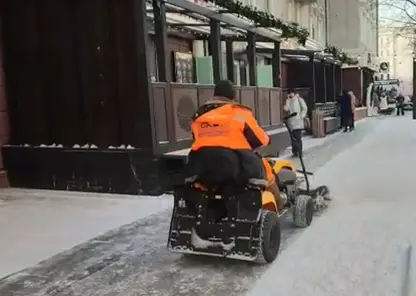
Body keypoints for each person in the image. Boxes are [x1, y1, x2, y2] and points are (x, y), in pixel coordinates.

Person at [187, 80, 287, 212]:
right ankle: (279, 202)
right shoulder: (239, 113)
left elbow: (196, 136)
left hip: (202, 165)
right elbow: (260, 139)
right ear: (232, 96)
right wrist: (267, 141)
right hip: (237, 166)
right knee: (266, 169)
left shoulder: (199, 116)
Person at [283, 89, 308, 157]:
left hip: (298, 121)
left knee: (298, 137)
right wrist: (287, 101)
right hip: (290, 122)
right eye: (289, 93)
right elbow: (286, 109)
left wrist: (301, 116)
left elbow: (304, 108)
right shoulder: (288, 100)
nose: (290, 94)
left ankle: (299, 152)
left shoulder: (299, 99)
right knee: (292, 138)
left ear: (294, 93)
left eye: (291, 93)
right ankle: (294, 152)